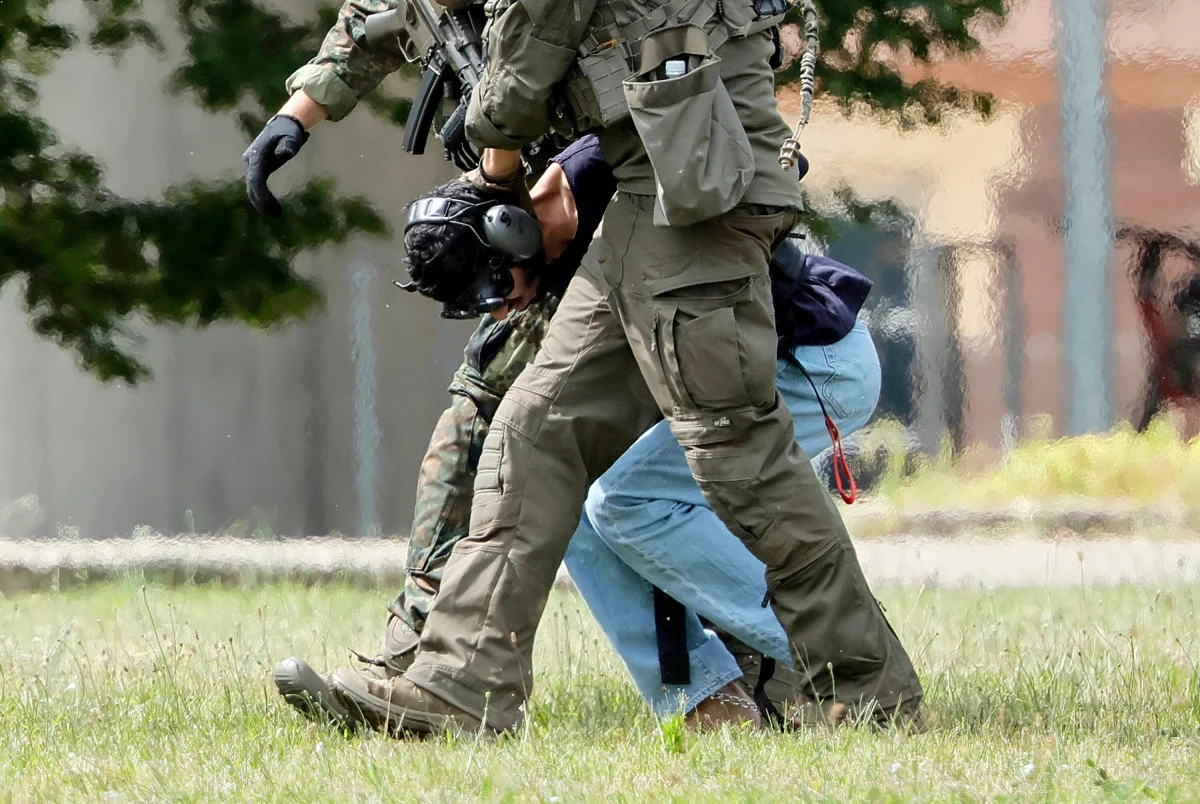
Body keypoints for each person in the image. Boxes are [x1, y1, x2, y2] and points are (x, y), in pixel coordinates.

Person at [299, 0, 923, 737]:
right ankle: (463, 683)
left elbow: (532, 43)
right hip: (650, 191)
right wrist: (301, 110)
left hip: (699, 197)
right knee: (537, 426)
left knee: (739, 458)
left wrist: (493, 175)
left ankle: (866, 690)